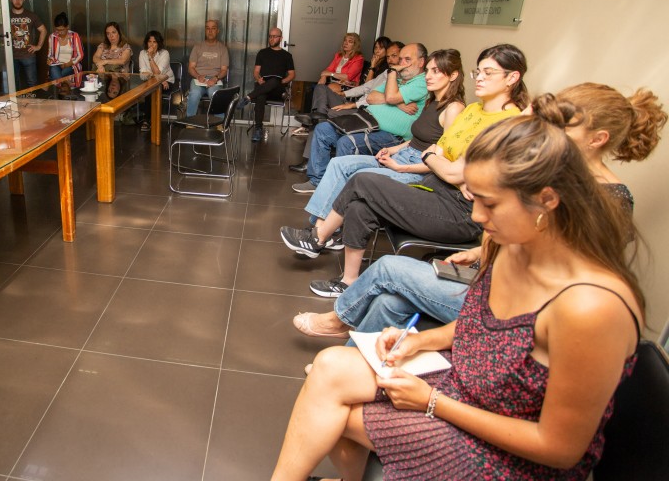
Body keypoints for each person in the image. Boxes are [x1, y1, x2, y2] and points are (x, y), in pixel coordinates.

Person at [271, 108, 646, 481]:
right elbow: (483, 324)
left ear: (547, 200)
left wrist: (433, 402)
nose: (478, 217)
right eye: (473, 197)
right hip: (472, 387)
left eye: (490, 203)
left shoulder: (592, 306)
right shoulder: (515, 245)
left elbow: (559, 450)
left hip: (510, 452)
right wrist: (421, 342)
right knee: (330, 368)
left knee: (334, 417)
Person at [292, 83, 665, 339]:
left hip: (513, 310)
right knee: (390, 301)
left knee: (388, 268)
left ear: (598, 139)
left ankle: (340, 322)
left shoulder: (609, 201)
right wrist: (481, 252)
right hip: (492, 280)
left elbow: (554, 278)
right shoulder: (562, 179)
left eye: (562, 128)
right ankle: (355, 368)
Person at [281, 44, 528, 297]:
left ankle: (318, 237)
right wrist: (440, 161)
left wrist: (440, 162)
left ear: (512, 77)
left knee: (362, 181)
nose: (481, 78)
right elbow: (439, 150)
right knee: (359, 205)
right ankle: (348, 281)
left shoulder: (507, 123)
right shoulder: (474, 111)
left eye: (489, 73)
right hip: (433, 186)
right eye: (479, 72)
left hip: (458, 210)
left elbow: (450, 169)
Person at [302, 49, 465, 224]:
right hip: (402, 154)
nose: (428, 77)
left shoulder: (454, 108)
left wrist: (400, 168)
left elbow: (440, 159)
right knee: (337, 163)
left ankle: (321, 231)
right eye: (429, 71)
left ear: (453, 75)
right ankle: (318, 227)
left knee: (355, 174)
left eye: (436, 71)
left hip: (414, 167)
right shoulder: (432, 102)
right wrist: (391, 150)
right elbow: (417, 139)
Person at [292, 43, 429, 194]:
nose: (401, 64)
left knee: (346, 142)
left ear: (421, 62)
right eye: (401, 59)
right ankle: (317, 181)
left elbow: (389, 97)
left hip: (391, 136)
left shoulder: (421, 82)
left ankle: (337, 192)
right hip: (365, 121)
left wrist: (391, 83)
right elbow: (371, 97)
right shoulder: (397, 80)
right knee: (322, 129)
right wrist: (399, 102)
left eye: (407, 60)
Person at [237, 27, 295, 143]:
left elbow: (292, 75)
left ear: (280, 38)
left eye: (274, 36)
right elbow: (256, 72)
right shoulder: (262, 53)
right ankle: (258, 129)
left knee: (274, 81)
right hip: (263, 85)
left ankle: (248, 97)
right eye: (270, 36)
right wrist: (258, 79)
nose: (271, 39)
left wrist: (282, 81)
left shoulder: (287, 55)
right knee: (261, 96)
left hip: (277, 87)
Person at [299, 32, 365, 121]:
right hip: (334, 83)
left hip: (348, 86)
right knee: (312, 89)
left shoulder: (358, 59)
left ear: (355, 45)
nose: (346, 43)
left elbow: (348, 77)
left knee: (324, 89)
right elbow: (327, 69)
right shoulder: (338, 56)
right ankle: (314, 116)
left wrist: (330, 74)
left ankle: (317, 116)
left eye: (350, 41)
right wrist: (323, 76)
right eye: (345, 40)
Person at [186, 19, 229, 116]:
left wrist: (215, 78)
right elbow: (191, 67)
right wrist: (198, 76)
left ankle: (219, 124)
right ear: (205, 31)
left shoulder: (222, 48)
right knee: (194, 94)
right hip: (199, 79)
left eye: (213, 28)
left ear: (217, 31)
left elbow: (224, 70)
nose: (210, 31)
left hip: (215, 80)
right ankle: (190, 123)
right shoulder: (197, 47)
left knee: (215, 95)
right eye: (207, 28)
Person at [9, 0, 47, 90]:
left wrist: (38, 46)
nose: (17, 1)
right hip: (11, 55)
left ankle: (33, 104)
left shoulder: (30, 15)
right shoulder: (6, 15)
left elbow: (43, 30)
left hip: (28, 54)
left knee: (32, 83)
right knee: (13, 84)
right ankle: (16, 105)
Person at [137, 30, 175, 132]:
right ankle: (150, 119)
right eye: (150, 42)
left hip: (167, 82)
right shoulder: (142, 53)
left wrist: (150, 57)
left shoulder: (164, 53)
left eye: (155, 42)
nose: (152, 44)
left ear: (159, 43)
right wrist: (158, 78)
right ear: (146, 42)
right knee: (151, 88)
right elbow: (142, 75)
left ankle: (147, 120)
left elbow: (158, 71)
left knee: (151, 89)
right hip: (154, 82)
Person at [92, 21, 132, 99]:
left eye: (113, 32)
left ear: (119, 33)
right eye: (108, 33)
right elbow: (95, 57)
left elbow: (122, 61)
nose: (111, 36)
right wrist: (99, 65)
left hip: (121, 76)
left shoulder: (125, 47)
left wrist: (105, 61)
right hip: (102, 75)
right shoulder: (103, 45)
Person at [46, 12, 84, 87]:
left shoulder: (75, 36)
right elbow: (50, 53)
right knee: (53, 69)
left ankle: (59, 88)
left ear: (67, 27)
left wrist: (68, 64)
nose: (59, 32)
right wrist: (49, 59)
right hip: (57, 64)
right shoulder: (52, 37)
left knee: (60, 74)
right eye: (57, 30)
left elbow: (81, 55)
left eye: (62, 30)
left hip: (71, 65)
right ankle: (63, 87)